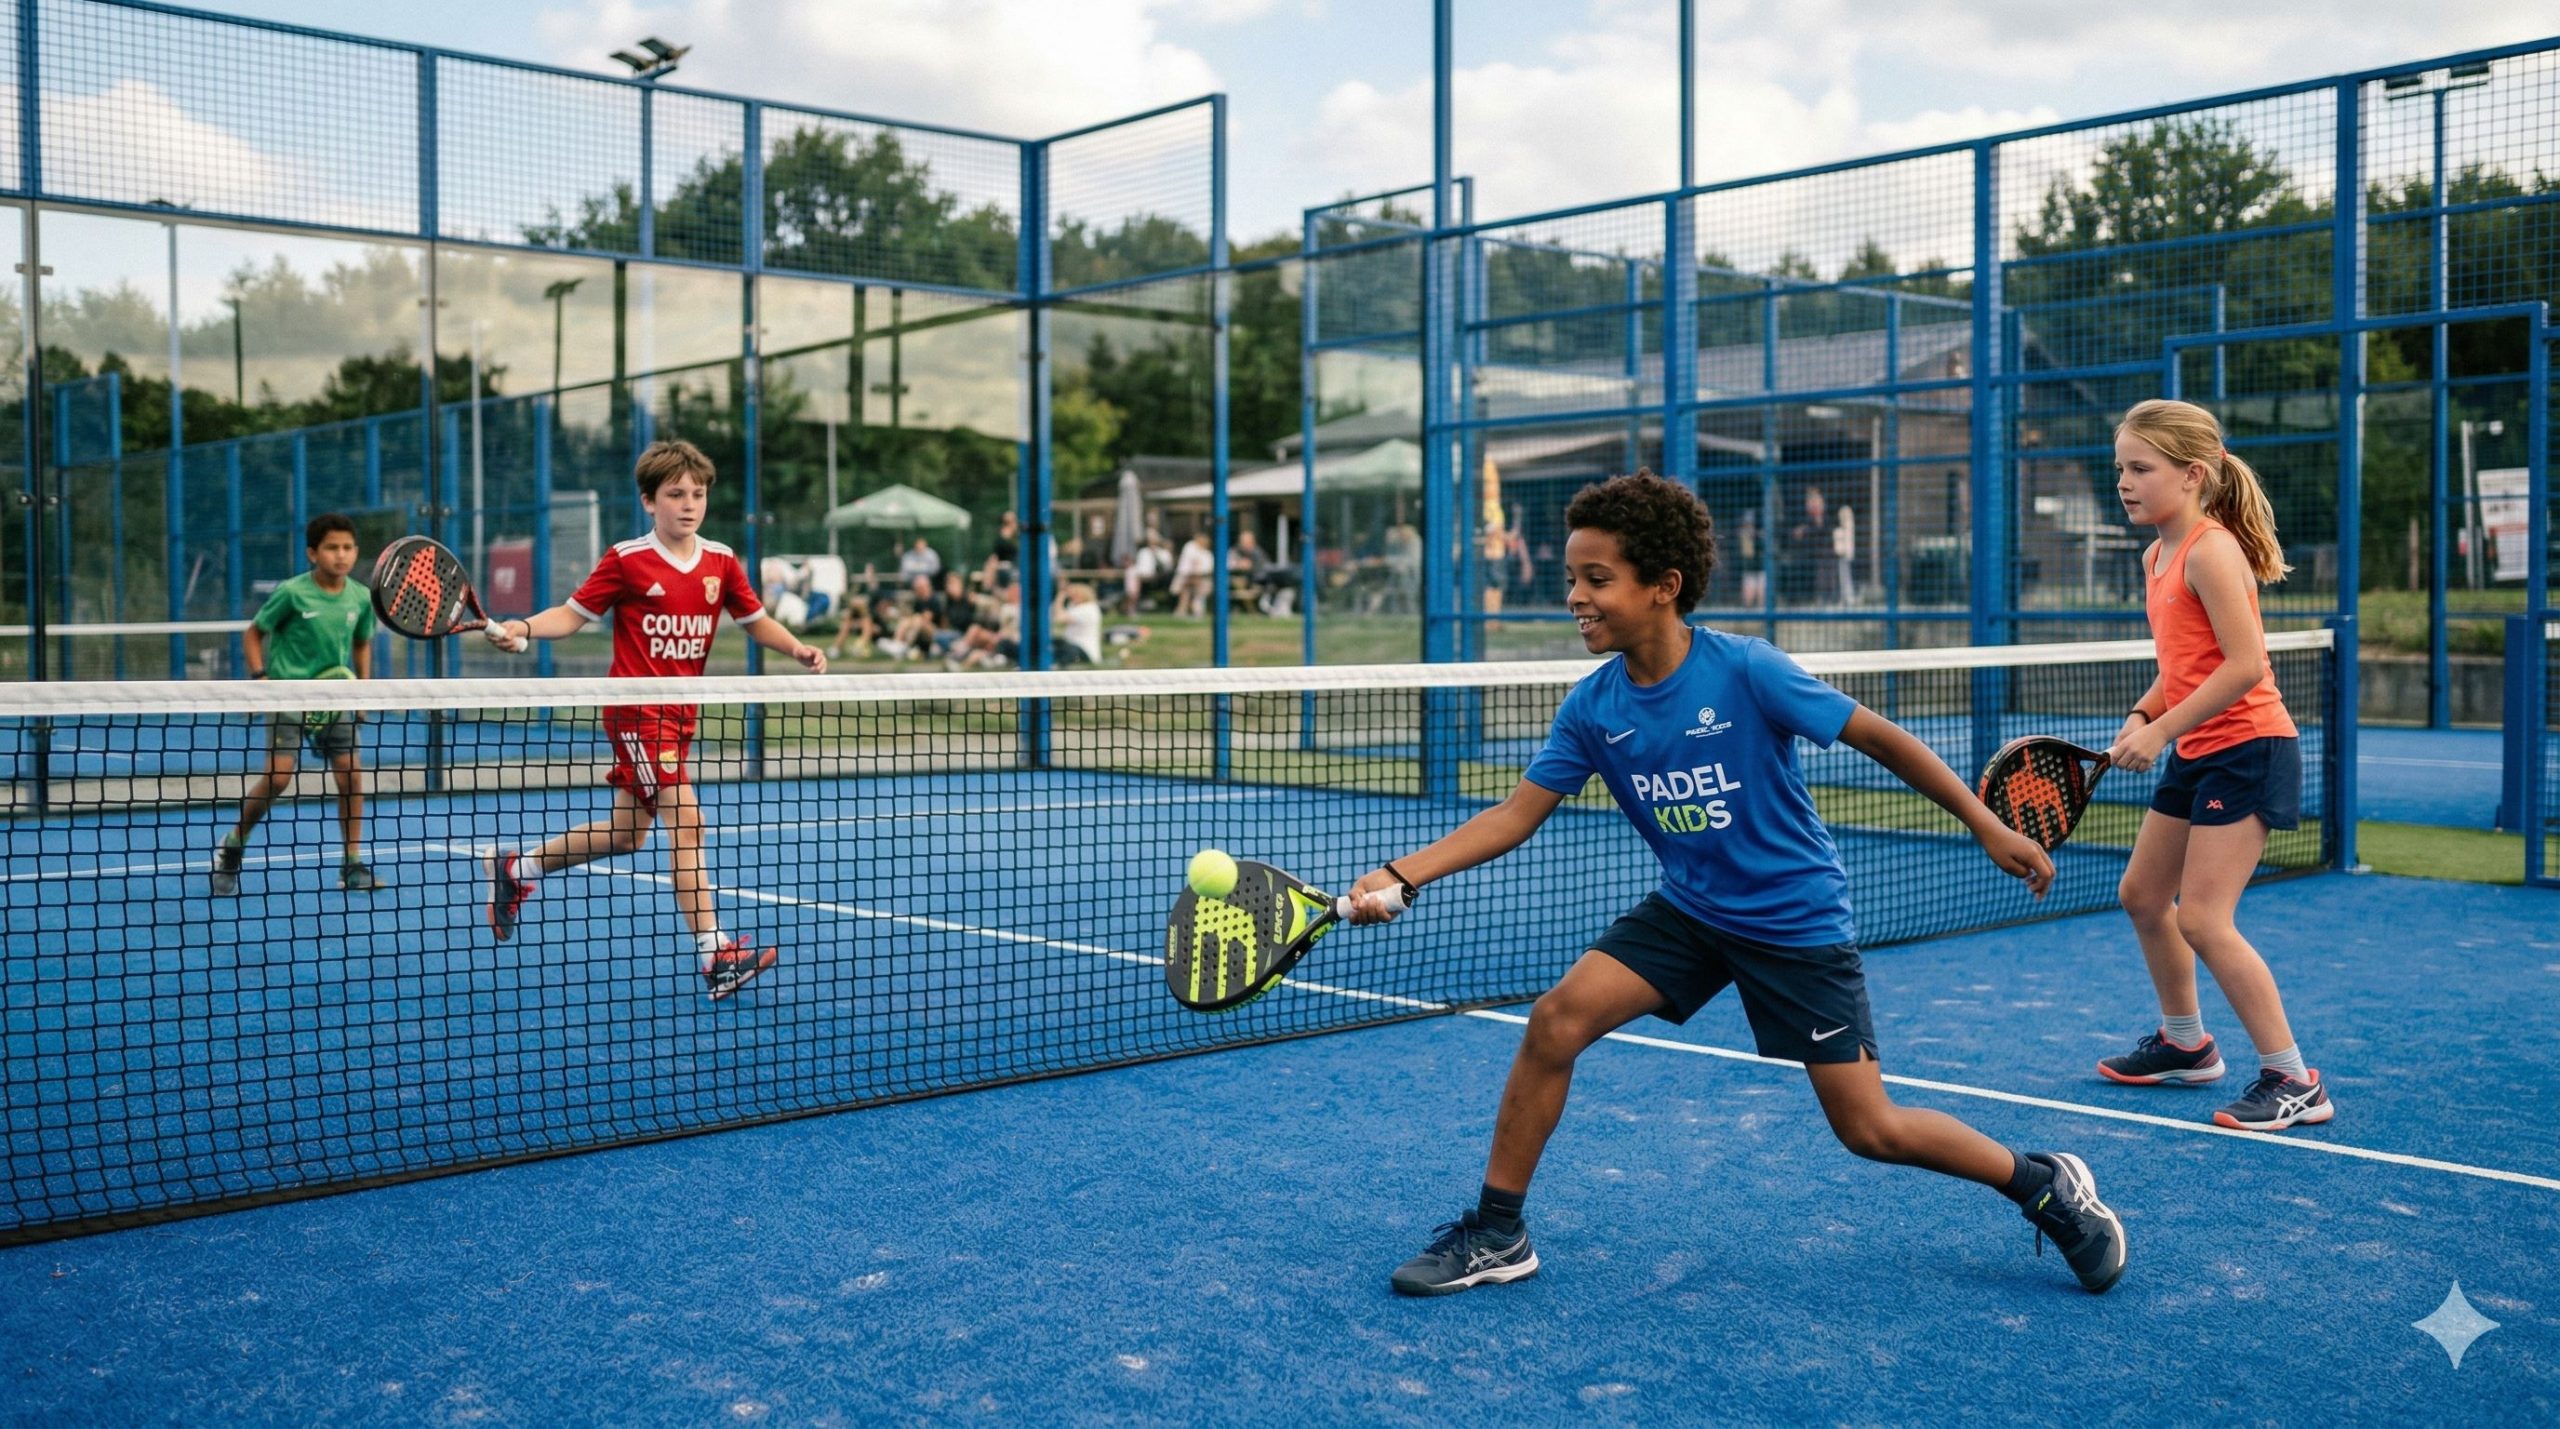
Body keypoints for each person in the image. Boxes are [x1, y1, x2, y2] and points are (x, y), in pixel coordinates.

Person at [1341, 470, 2126, 1299]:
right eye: (1572, 577)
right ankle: (1497, 1231)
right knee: (1555, 1021)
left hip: (1794, 921)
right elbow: (1514, 814)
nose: (1575, 595)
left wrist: (1985, 821)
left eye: (1596, 578)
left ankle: (2042, 1182)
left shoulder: (1747, 670)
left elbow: (1883, 738)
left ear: (1663, 586)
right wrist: (1402, 873)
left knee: (1871, 1128)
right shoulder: (1592, 706)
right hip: (1691, 909)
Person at [478, 439, 827, 1001]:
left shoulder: (720, 561)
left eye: (698, 493)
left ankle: (520, 869)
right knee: (688, 821)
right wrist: (521, 626)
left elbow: (755, 619)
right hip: (635, 715)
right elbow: (572, 615)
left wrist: (797, 649)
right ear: (648, 501)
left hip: (679, 716)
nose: (689, 504)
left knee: (626, 836)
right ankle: (715, 956)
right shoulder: (626, 559)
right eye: (675, 494)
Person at [2096, 399, 2329, 1132]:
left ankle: (2295, 1080)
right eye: (2120, 469)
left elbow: (2246, 664)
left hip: (2250, 749)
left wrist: (2159, 730)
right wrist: (2143, 716)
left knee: (2201, 916)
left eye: (2141, 468)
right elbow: (2183, 664)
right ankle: (2186, 1042)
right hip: (2199, 749)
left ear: (2194, 474)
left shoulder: (2210, 549)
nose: (2125, 483)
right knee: (2142, 894)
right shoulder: (2155, 554)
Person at [212, 513, 381, 895]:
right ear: (312, 553)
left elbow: (361, 642)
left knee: (351, 776)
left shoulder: (359, 597)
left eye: (348, 547)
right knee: (278, 779)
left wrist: (365, 690)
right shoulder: (291, 592)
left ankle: (352, 863)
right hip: (288, 697)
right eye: (332, 548)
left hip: (337, 696)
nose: (341, 555)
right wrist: (260, 679)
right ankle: (233, 847)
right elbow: (254, 633)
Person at [1054, 581, 1104, 666]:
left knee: (1068, 650)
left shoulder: (1088, 608)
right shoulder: (1075, 607)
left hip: (1083, 648)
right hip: (1071, 644)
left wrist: (1060, 598)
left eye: (1075, 595)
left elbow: (1059, 618)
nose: (1071, 597)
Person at [1171, 531, 1215, 618]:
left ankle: (1197, 612)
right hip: (1186, 576)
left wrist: (1198, 577)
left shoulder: (1208, 554)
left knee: (1199, 593)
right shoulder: (1190, 546)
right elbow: (1192, 563)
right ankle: (1181, 612)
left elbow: (1209, 570)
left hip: (1202, 579)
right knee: (1185, 593)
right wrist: (1192, 577)